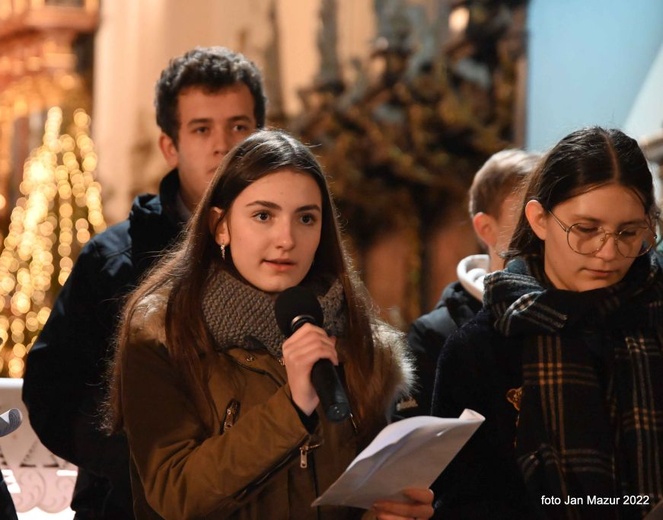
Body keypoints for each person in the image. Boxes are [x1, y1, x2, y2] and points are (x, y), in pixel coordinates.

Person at [105, 129, 434, 519]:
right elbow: (175, 493)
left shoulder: (362, 339)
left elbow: (362, 493)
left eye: (306, 218)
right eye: (263, 216)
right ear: (221, 225)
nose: (286, 239)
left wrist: (390, 512)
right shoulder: (163, 332)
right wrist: (291, 408)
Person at [22, 46, 267, 519]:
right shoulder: (114, 261)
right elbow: (54, 392)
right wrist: (151, 468)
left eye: (239, 126)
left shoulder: (290, 252)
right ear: (170, 147)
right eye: (201, 129)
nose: (224, 145)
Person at [431, 127, 663, 519]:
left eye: (628, 232)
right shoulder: (480, 348)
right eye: (586, 230)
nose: (608, 252)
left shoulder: (653, 320)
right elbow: (460, 501)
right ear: (539, 219)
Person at [402, 149, 539, 417]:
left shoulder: (565, 311)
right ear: (485, 228)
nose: (540, 233)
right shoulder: (435, 335)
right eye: (526, 222)